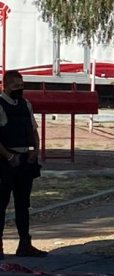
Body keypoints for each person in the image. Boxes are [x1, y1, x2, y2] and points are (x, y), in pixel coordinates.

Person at [0, 70, 47, 259]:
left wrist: (36, 150)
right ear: (5, 86)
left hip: (26, 160)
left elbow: (33, 129)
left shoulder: (26, 104)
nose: (19, 89)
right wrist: (9, 156)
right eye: (15, 86)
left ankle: (25, 244)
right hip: (5, 162)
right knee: (1, 204)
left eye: (21, 85)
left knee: (23, 205)